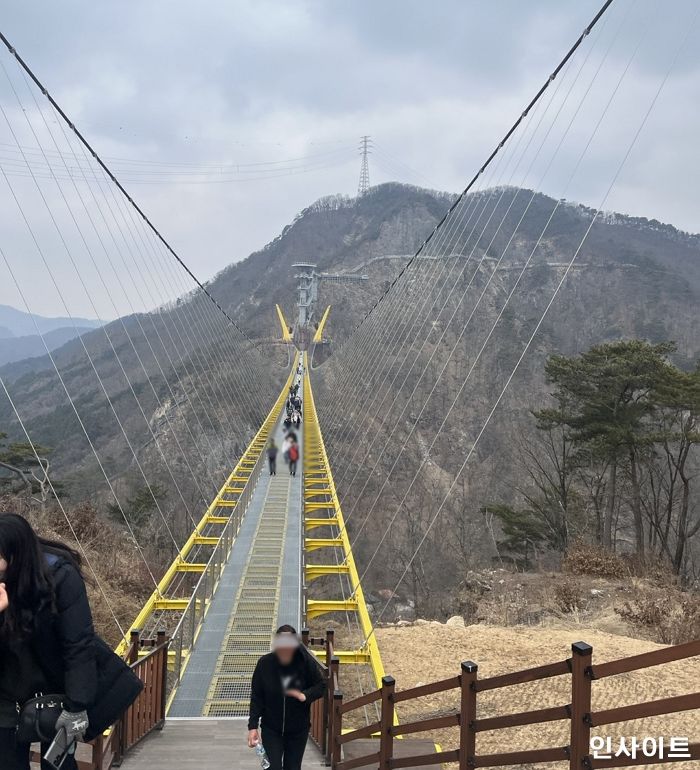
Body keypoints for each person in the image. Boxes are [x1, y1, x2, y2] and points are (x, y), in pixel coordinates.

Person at [0, 513, 142, 770]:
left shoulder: (59, 576)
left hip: (55, 690)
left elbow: (78, 644)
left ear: (15, 555)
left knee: (57, 764)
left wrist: (77, 706)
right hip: (6, 694)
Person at [247, 626, 324, 770]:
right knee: (273, 767)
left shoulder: (305, 663)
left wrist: (305, 695)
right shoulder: (264, 664)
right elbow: (257, 696)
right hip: (271, 729)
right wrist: (252, 727)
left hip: (298, 730)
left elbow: (322, 686)